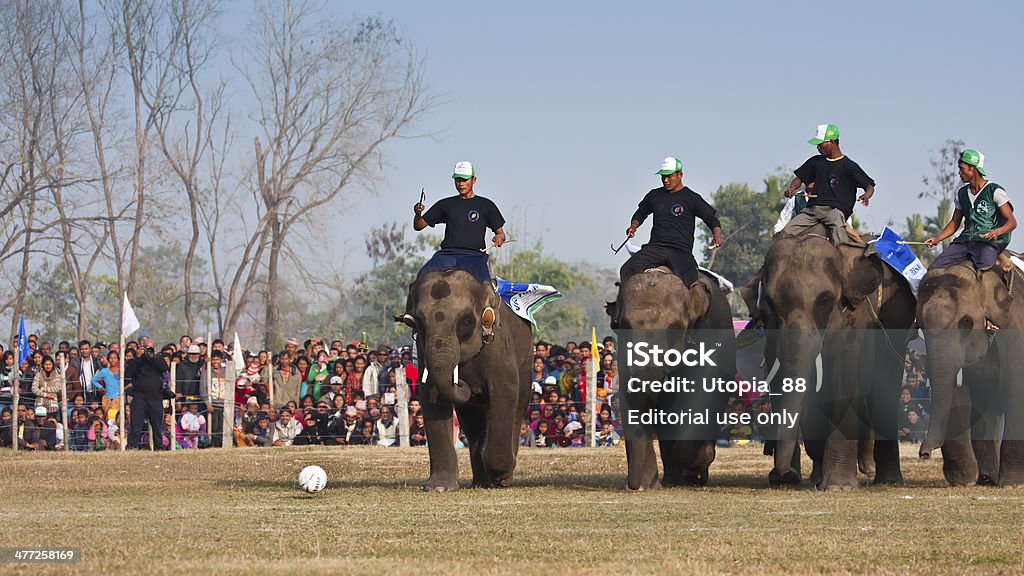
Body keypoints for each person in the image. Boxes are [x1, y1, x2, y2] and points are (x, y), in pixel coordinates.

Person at [619, 157, 723, 289]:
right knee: (626, 269)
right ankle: (623, 308)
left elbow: (711, 219)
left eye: (669, 176)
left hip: (680, 251)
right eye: (663, 177)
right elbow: (641, 213)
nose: (665, 180)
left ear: (680, 175)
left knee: (692, 282)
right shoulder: (654, 195)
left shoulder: (692, 198)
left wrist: (717, 235)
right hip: (655, 248)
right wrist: (633, 226)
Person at [781, 124, 876, 246]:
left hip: (834, 211)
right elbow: (799, 178)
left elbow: (869, 185)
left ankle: (843, 261)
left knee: (840, 242)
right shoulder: (816, 162)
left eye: (820, 144)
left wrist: (867, 195)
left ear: (831, 142)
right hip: (811, 211)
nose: (817, 147)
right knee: (786, 233)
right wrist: (792, 187)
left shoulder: (848, 166)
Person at [412, 161, 507, 282]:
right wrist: (417, 214)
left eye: (464, 180)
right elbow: (418, 226)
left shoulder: (486, 205)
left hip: (474, 257)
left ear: (474, 180)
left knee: (487, 288)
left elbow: (501, 233)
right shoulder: (445, 204)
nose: (460, 183)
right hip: (447, 255)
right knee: (422, 276)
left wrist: (499, 237)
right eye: (457, 180)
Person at [926, 149, 1016, 270]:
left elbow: (1012, 222)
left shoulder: (995, 191)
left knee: (986, 274)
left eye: (961, 169)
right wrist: (937, 239)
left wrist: (996, 232)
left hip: (985, 244)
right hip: (964, 241)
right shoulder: (961, 193)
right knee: (933, 269)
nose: (959, 173)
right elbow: (954, 223)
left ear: (972, 169)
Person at [125, 345, 170, 450]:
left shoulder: (157, 359)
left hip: (155, 398)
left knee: (157, 426)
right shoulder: (136, 361)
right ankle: (132, 446)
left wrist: (152, 357)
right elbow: (128, 371)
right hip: (139, 398)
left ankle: (159, 447)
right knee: (135, 424)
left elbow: (164, 367)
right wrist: (137, 357)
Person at [90, 351, 121, 421]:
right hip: (108, 399)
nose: (113, 360)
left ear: (118, 359)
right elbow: (93, 380)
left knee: (118, 418)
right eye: (110, 358)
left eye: (115, 358)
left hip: (119, 398)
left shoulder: (121, 371)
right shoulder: (104, 371)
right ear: (108, 359)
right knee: (108, 418)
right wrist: (101, 388)